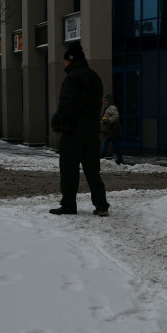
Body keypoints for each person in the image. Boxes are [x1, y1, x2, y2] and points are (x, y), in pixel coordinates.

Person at [50, 44, 110, 216]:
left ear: (70, 60)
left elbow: (67, 105)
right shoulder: (94, 78)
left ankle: (69, 204)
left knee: (69, 170)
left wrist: (58, 122)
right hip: (91, 133)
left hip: (73, 133)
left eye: (65, 61)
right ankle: (101, 204)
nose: (64, 64)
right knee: (92, 171)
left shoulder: (72, 79)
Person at [100, 94, 124, 165]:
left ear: (109, 101)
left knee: (105, 143)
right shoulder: (108, 108)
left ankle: (101, 159)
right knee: (116, 145)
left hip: (112, 131)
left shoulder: (112, 107)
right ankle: (120, 160)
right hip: (110, 131)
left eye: (105, 100)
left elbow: (116, 116)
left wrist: (108, 121)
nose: (104, 102)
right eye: (104, 101)